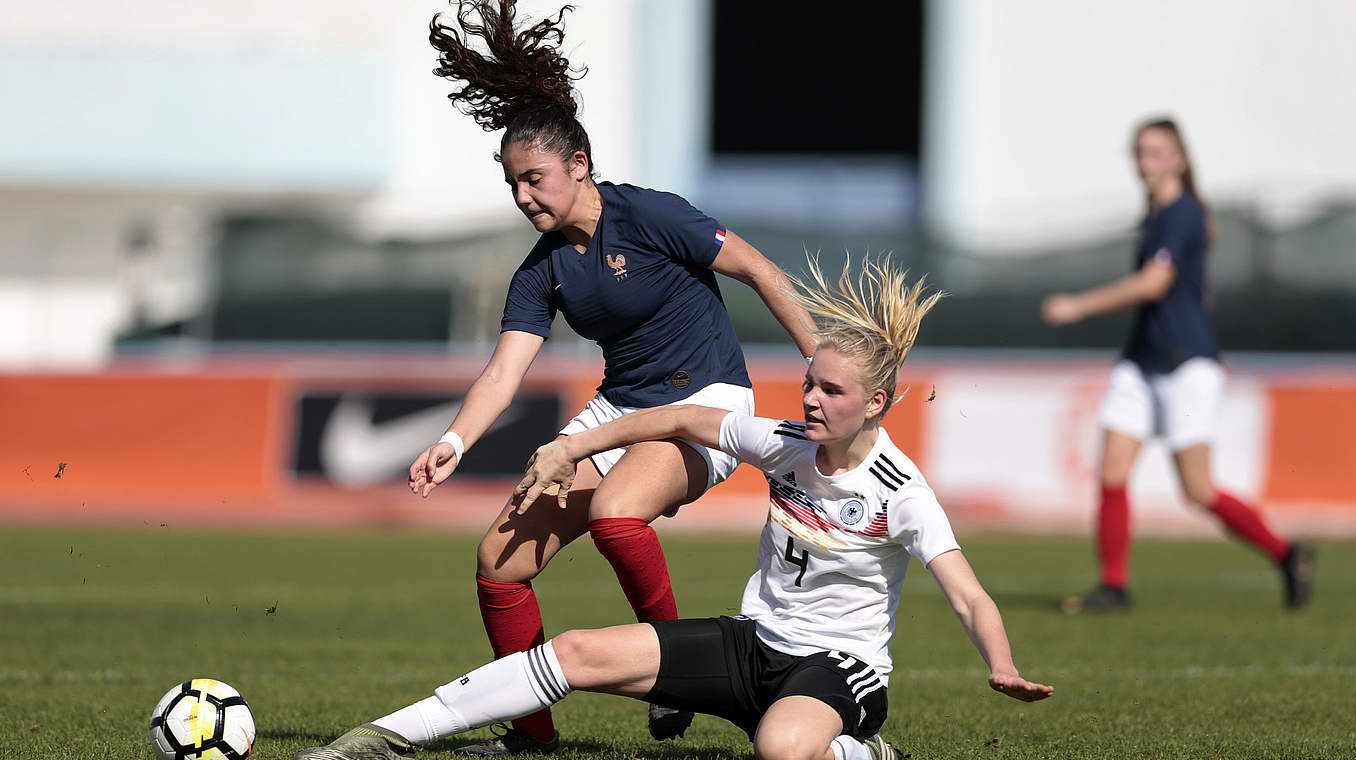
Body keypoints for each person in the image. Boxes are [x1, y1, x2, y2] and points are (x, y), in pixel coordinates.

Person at [296, 255, 1053, 760]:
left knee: (783, 751)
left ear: (877, 403)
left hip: (836, 668)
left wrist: (1003, 663)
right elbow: (683, 419)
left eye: (831, 392)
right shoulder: (785, 441)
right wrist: (572, 449)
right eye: (810, 383)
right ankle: (382, 738)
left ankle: (867, 752)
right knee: (577, 652)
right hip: (753, 644)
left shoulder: (904, 494)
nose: (810, 399)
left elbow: (969, 594)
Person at [406, 2, 820, 752]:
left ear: (580, 166)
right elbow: (503, 372)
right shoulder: (542, 272)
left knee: (616, 513)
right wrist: (454, 441)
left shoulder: (654, 216)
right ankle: (532, 737)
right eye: (513, 186)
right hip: (620, 409)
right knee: (498, 563)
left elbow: (759, 270)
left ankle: (676, 670)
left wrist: (822, 365)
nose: (525, 197)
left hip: (708, 404)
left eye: (535, 179)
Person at [1040, 117, 1315, 613]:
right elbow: (1196, 293)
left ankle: (1288, 552)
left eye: (1155, 153)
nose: (1145, 163)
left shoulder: (1180, 213)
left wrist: (1078, 306)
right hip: (1143, 359)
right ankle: (1114, 586)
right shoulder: (1158, 215)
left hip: (1183, 363)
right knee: (1112, 469)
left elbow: (1155, 284)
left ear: (1178, 159)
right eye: (1140, 153)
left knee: (1198, 489)